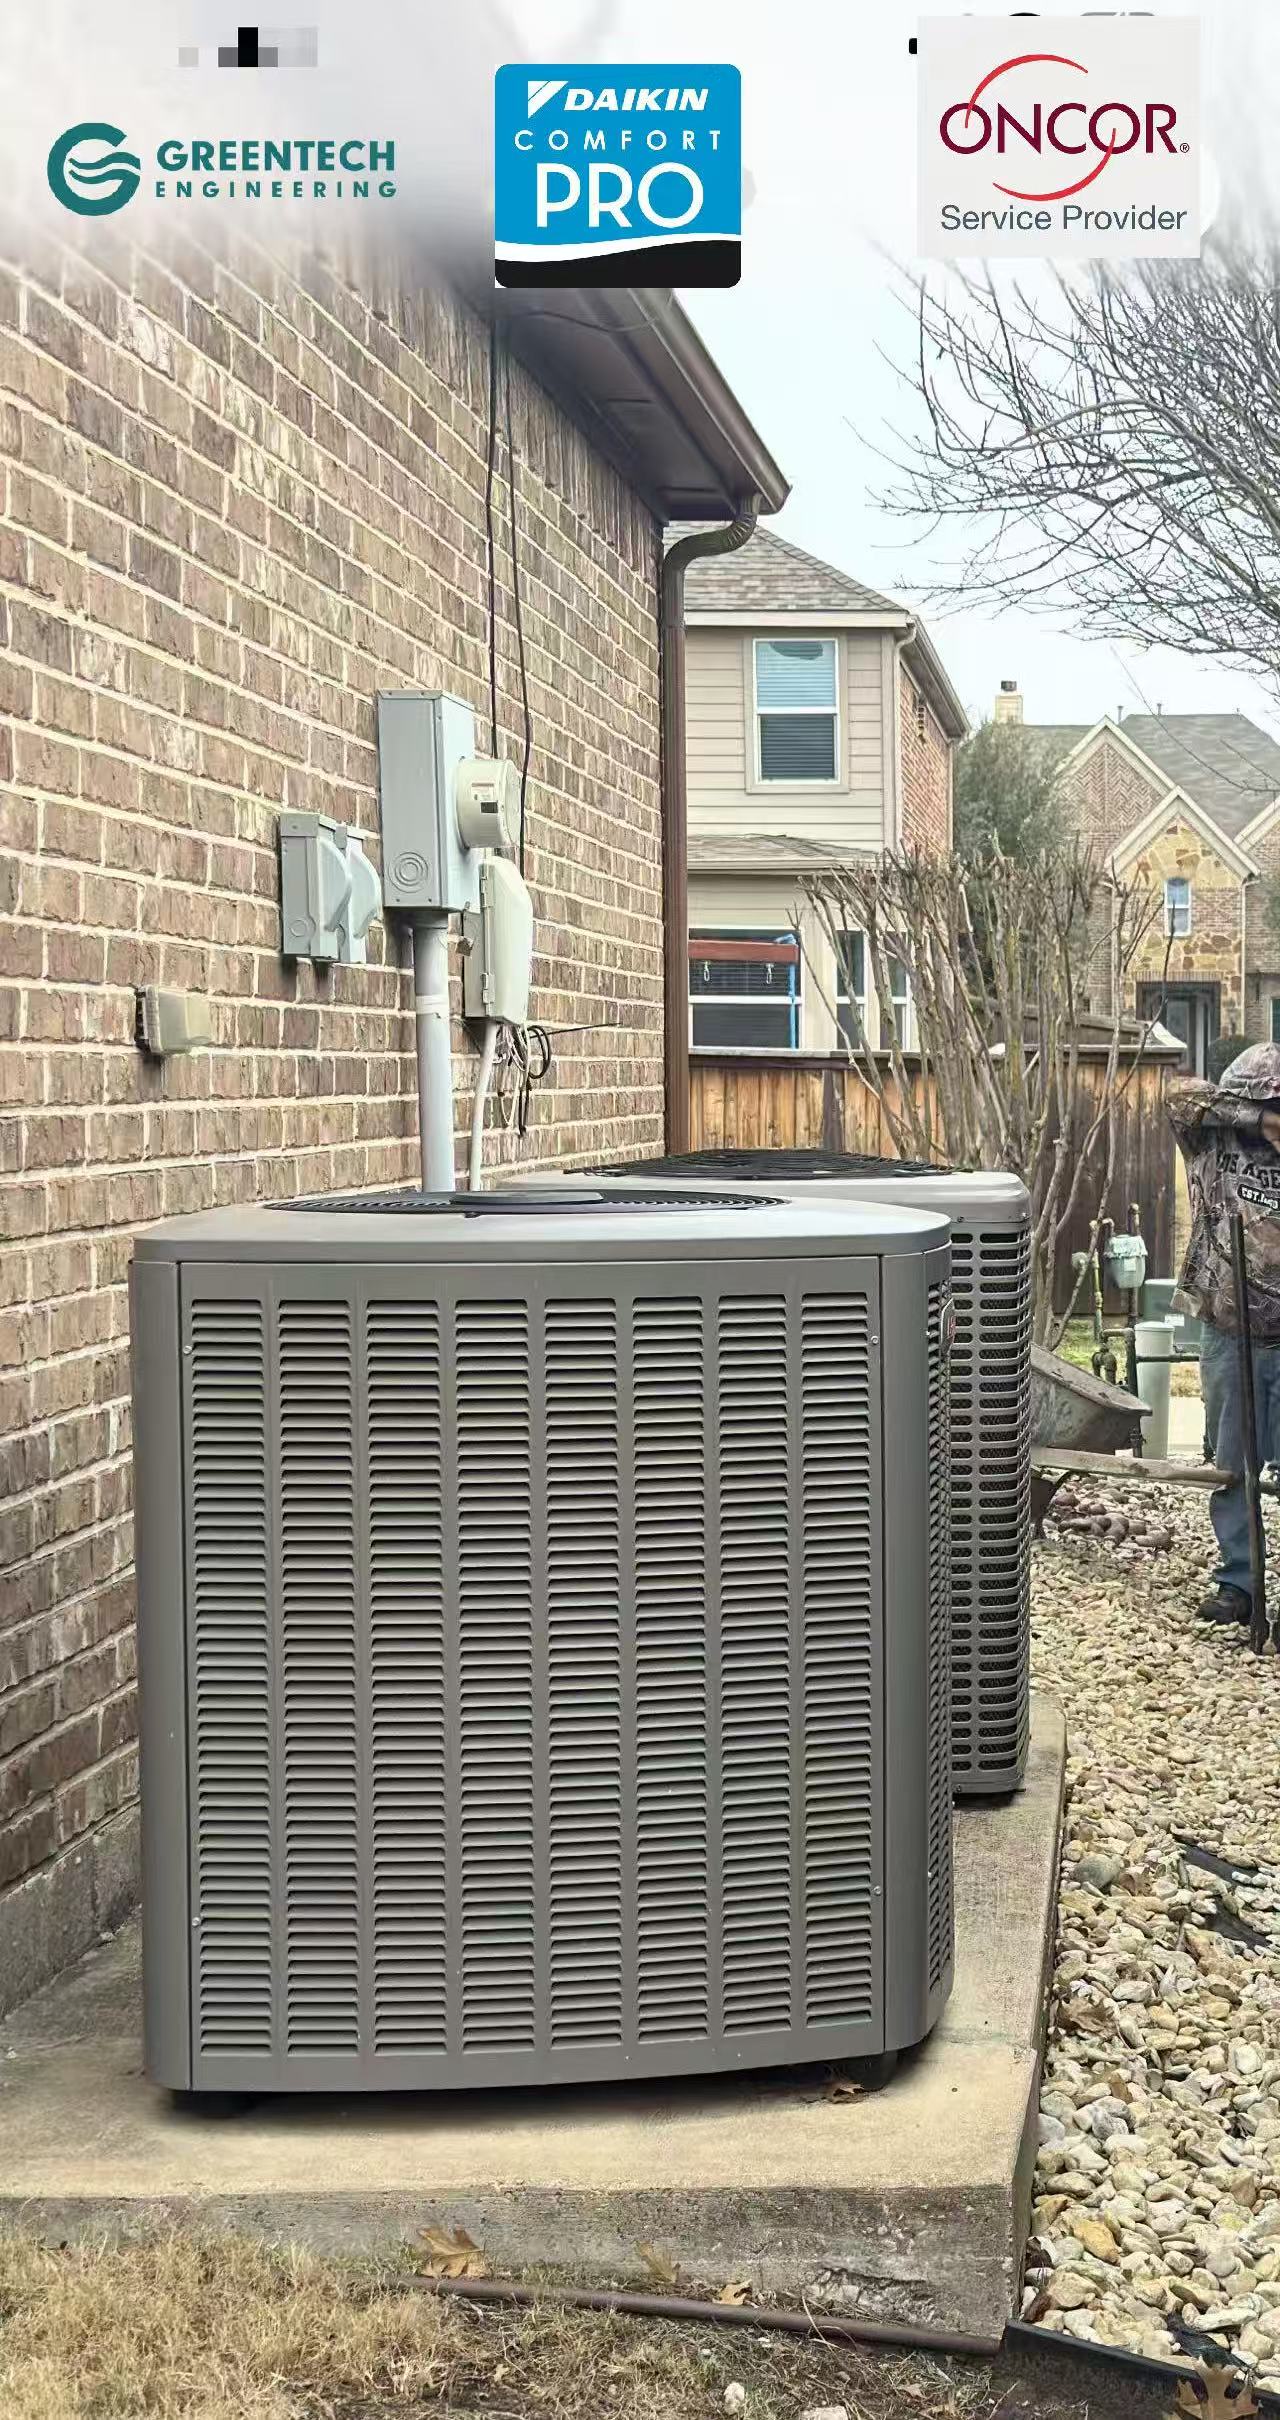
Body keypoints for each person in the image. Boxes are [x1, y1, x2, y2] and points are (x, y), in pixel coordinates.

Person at [1168, 1040, 1280, 1624]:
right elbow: (1181, 1096)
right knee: (1232, 1465)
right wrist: (1256, 1117)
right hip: (1228, 1329)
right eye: (1269, 1104)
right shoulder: (1209, 1137)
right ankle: (1240, 1582)